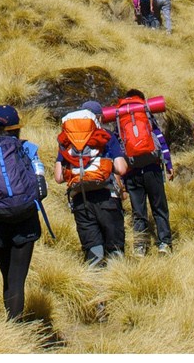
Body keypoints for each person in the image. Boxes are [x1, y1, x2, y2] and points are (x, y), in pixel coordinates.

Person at [0, 105, 46, 320]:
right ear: (16, 128)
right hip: (26, 217)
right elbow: (40, 176)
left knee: (7, 276)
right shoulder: (27, 147)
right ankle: (16, 327)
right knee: (17, 279)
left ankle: (10, 325)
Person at [54, 101, 128, 267]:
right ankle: (118, 287)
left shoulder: (67, 141)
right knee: (115, 249)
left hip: (81, 200)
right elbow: (121, 169)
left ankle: (95, 287)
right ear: (99, 117)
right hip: (107, 197)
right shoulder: (106, 136)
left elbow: (58, 177)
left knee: (93, 249)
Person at [111, 91, 174, 256]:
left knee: (138, 212)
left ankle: (140, 246)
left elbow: (118, 148)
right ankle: (164, 243)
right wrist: (168, 164)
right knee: (159, 208)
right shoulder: (144, 114)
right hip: (152, 168)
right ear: (141, 99)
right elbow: (159, 138)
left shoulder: (120, 118)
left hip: (132, 172)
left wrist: (121, 179)